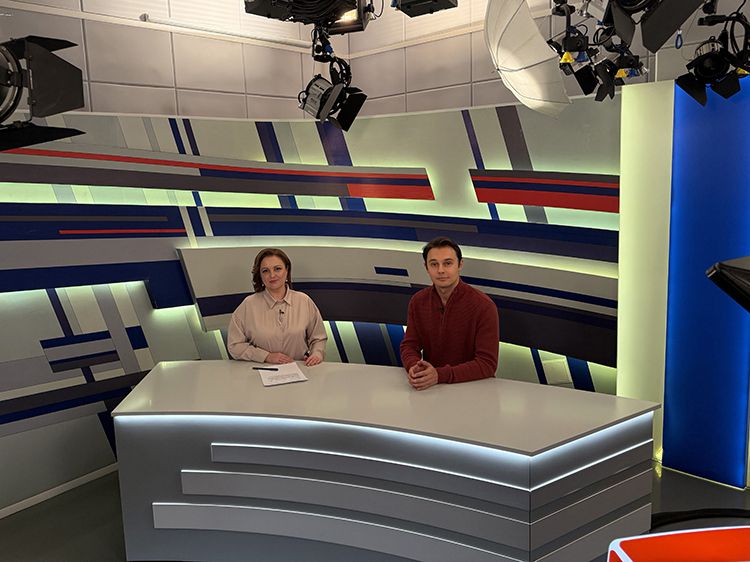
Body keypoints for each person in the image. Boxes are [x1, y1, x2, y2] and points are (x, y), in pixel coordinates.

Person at [400, 237, 499, 390]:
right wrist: (414, 367)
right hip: (431, 388)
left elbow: (487, 364)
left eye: (447, 263)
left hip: (472, 388)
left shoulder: (484, 306)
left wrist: (440, 375)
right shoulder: (418, 301)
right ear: (426, 267)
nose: (441, 270)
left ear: (460, 265)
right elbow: (409, 345)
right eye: (434, 264)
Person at [228, 248, 327, 366]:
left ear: (287, 270)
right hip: (261, 370)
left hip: (299, 369)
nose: (272, 275)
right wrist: (266, 356)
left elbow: (318, 338)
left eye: (277, 269)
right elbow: (235, 345)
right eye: (265, 271)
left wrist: (317, 354)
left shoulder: (304, 301)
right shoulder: (248, 305)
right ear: (260, 275)